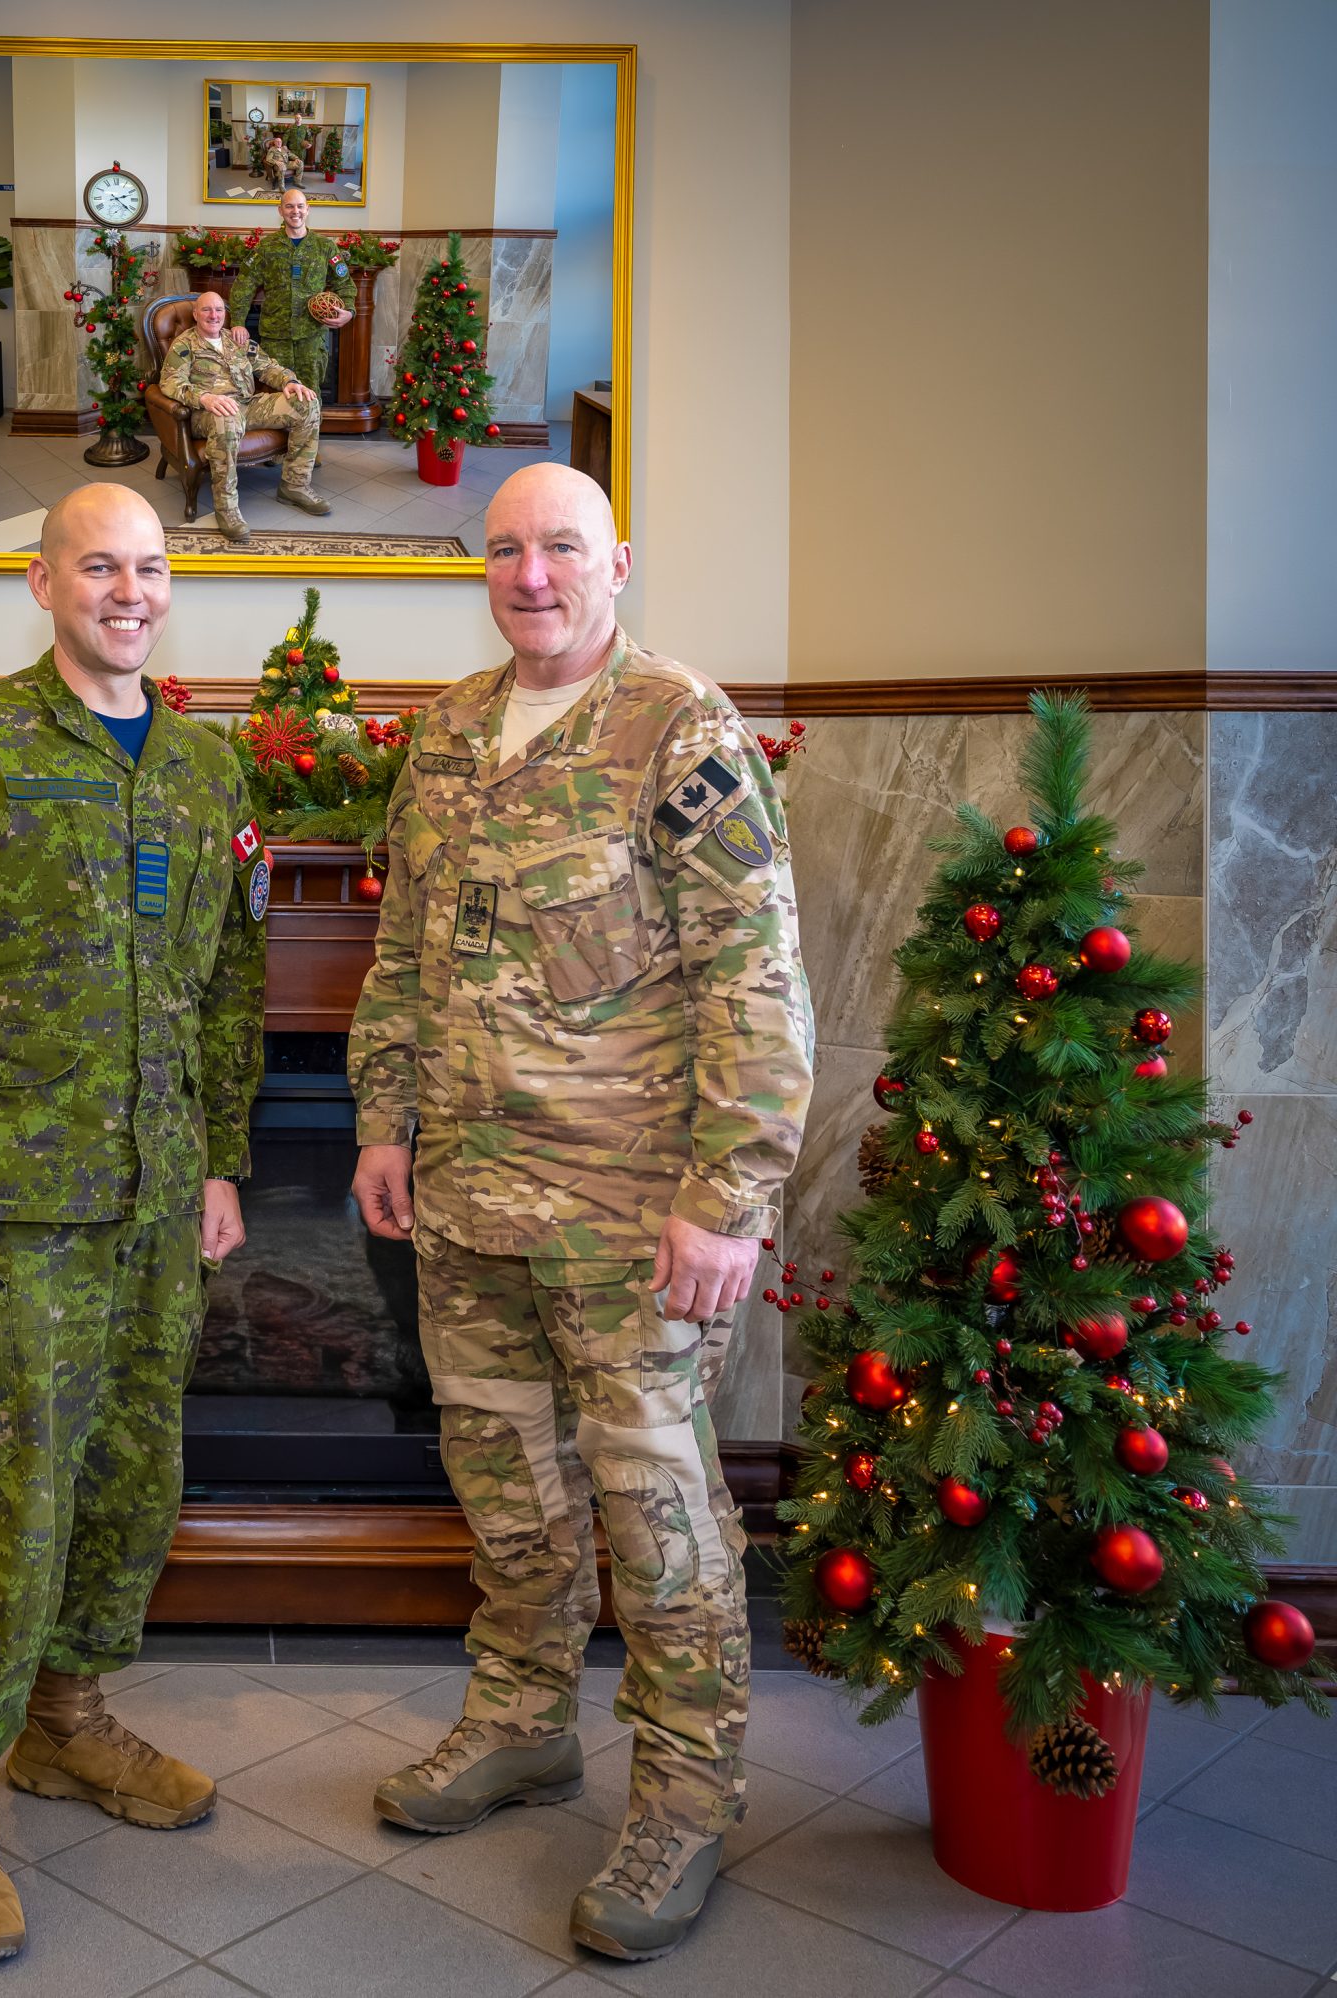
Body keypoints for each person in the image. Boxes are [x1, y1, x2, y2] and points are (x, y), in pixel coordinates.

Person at [347, 463, 813, 1964]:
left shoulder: (685, 730)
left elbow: (757, 975)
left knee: (657, 1514)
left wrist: (727, 1197)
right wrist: (381, 1116)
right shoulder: (445, 737)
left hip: (633, 1217)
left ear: (620, 559)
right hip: (471, 1197)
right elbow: (405, 950)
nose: (530, 574)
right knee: (507, 1489)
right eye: (505, 550)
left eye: (561, 546)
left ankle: (685, 1792)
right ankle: (522, 1721)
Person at [0, 481, 269, 1964]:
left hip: (158, 1201)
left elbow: (229, 982)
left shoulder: (211, 768)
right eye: (101, 564)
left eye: (151, 566)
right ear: (43, 584)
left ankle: (68, 1719)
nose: (129, 589)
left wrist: (218, 1161)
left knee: (135, 1470)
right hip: (8, 1200)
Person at [158, 289, 327, 542]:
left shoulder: (236, 340)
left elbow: (267, 366)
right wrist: (205, 398)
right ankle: (226, 507)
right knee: (226, 418)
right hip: (209, 412)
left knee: (307, 403)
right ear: (195, 314)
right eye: (206, 309)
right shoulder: (184, 344)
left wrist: (289, 382)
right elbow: (169, 383)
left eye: (218, 310)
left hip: (248, 404)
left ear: (225, 314)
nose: (213, 315)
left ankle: (295, 485)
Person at [227, 187, 353, 400]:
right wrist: (238, 321)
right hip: (276, 336)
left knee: (311, 395)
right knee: (276, 396)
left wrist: (348, 311)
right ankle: (278, 435)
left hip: (311, 337)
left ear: (308, 209)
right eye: (290, 206)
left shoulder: (325, 248)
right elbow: (244, 284)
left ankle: (310, 434)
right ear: (280, 211)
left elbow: (344, 284)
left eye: (300, 206)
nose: (296, 211)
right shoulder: (266, 247)